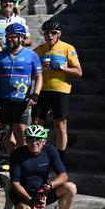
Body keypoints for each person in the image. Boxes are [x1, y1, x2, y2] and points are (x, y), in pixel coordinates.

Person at [9, 125, 79, 209]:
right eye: (30, 139)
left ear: (44, 141)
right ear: (26, 140)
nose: (33, 143)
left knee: (71, 187)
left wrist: (48, 186)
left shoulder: (50, 151)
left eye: (37, 140)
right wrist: (31, 200)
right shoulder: (17, 154)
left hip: (43, 191)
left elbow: (63, 175)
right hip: (24, 194)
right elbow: (15, 183)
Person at [32, 20, 82, 156]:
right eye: (46, 33)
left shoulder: (68, 48)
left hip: (61, 90)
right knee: (36, 124)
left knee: (60, 125)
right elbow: (31, 73)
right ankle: (37, 153)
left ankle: (60, 157)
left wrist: (60, 68)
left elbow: (78, 72)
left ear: (59, 34)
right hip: (42, 91)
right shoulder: (37, 50)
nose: (50, 36)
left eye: (53, 33)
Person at [0, 23, 43, 154]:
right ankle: (12, 159)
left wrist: (35, 94)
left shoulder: (31, 55)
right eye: (8, 36)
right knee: (6, 132)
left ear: (22, 38)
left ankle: (23, 158)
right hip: (4, 98)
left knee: (20, 130)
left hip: (22, 99)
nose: (9, 39)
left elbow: (38, 77)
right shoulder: (0, 56)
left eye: (13, 37)